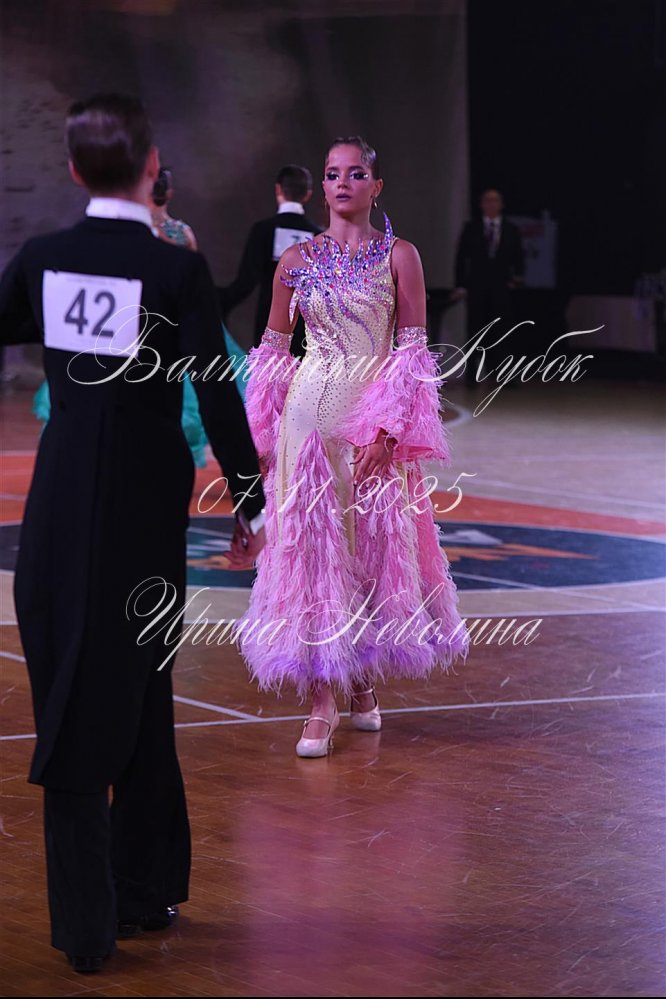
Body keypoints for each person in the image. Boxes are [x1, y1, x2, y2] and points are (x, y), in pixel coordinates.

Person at [0, 94, 265, 973]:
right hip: (149, 502)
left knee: (70, 698)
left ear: (74, 168)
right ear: (152, 168)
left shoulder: (43, 258)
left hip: (65, 497)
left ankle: (89, 926)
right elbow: (217, 387)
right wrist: (252, 502)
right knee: (145, 688)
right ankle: (146, 888)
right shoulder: (175, 268)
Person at [235, 136, 468, 758]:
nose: (342, 183)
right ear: (323, 186)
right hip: (307, 428)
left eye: (356, 173)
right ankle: (322, 701)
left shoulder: (401, 256)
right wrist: (262, 435)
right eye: (333, 173)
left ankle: (361, 680)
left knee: (366, 551)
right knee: (314, 554)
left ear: (376, 186)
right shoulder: (296, 260)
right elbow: (273, 352)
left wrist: (389, 431)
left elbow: (413, 352)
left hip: (369, 427)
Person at [218, 164, 322, 357]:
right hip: (306, 333)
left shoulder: (263, 230)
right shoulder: (318, 236)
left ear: (278, 189)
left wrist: (212, 299)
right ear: (308, 194)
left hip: (269, 325)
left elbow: (245, 283)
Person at [450, 189, 525, 386]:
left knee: (503, 330)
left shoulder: (511, 229)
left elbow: (519, 256)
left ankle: (504, 374)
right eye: (487, 200)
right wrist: (460, 285)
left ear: (501, 204)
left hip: (502, 287)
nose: (491, 204)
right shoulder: (471, 228)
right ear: (482, 204)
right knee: (475, 329)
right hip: (477, 287)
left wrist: (518, 278)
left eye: (495, 200)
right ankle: (472, 375)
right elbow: (461, 258)